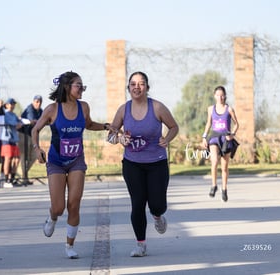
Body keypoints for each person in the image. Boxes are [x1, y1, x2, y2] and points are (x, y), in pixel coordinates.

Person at [31, 71, 110, 259]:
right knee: (59, 208)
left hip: (76, 161)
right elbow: (35, 129)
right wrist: (37, 149)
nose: (82, 89)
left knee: (74, 205)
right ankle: (52, 217)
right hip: (57, 162)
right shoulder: (52, 109)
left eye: (83, 86)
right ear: (67, 87)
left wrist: (107, 126)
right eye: (78, 85)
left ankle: (69, 245)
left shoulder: (84, 107)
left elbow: (89, 124)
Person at [107, 71, 179, 257]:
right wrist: (120, 138)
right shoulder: (124, 109)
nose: (136, 87)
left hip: (157, 163)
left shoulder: (157, 107)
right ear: (128, 87)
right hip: (132, 164)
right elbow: (111, 134)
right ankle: (141, 244)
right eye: (133, 84)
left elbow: (174, 126)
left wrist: (167, 139)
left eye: (141, 84)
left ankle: (157, 215)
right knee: (137, 203)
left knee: (157, 204)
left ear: (147, 87)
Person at [202, 86, 239, 202]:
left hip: (226, 139)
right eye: (218, 95)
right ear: (214, 96)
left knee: (224, 167)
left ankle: (224, 189)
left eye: (222, 95)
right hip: (214, 138)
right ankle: (213, 186)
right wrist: (204, 136)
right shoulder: (210, 109)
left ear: (225, 96)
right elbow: (209, 123)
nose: (220, 97)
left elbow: (237, 124)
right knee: (214, 161)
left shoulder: (229, 109)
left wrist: (232, 134)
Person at [18, 95, 43, 184]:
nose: (38, 103)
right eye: (36, 101)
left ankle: (23, 174)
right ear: (33, 101)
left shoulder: (40, 111)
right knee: (24, 156)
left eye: (39, 101)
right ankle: (24, 178)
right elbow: (32, 121)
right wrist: (40, 121)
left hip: (32, 135)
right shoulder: (30, 109)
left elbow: (44, 120)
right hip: (23, 134)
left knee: (34, 155)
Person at [0, 98, 22, 188]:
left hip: (14, 139)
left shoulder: (14, 114)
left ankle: (11, 179)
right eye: (10, 104)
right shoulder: (5, 113)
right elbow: (12, 123)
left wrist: (18, 122)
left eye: (13, 104)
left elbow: (19, 122)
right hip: (6, 139)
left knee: (17, 159)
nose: (12, 106)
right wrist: (17, 123)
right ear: (7, 105)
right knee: (7, 159)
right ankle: (5, 179)